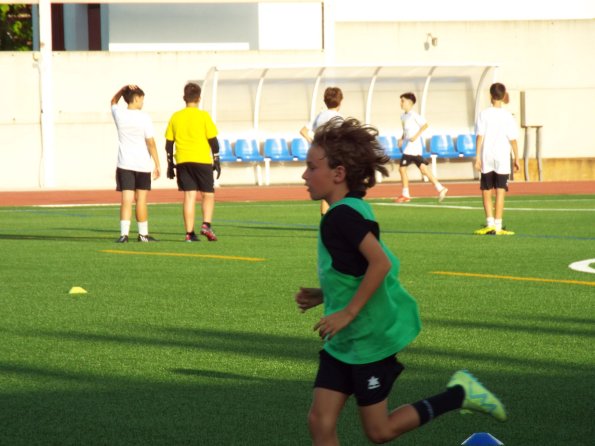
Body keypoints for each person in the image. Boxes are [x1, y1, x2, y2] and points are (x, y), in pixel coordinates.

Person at [296, 117, 506, 445]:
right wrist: (325, 294)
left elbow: (380, 264)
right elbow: (367, 266)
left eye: (311, 167)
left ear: (338, 173)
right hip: (344, 342)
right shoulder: (349, 209)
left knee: (380, 431)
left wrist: (347, 312)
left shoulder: (342, 216)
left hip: (368, 341)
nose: (304, 175)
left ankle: (458, 395)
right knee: (319, 421)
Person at [165, 82, 221, 242]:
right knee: (207, 194)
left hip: (183, 160)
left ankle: (189, 233)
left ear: (184, 98)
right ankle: (206, 225)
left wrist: (170, 164)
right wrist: (216, 159)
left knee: (189, 196)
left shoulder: (176, 116)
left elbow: (169, 143)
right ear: (199, 98)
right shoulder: (203, 116)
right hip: (201, 159)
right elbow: (213, 140)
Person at [110, 84, 160, 243]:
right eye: (142, 99)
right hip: (142, 164)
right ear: (136, 98)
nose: (143, 103)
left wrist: (123, 88)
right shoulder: (144, 117)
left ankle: (124, 235)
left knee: (126, 199)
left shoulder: (119, 114)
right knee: (141, 200)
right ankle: (143, 235)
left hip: (125, 164)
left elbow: (113, 100)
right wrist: (157, 164)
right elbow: (150, 142)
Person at [474, 83, 520, 235]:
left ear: (490, 95)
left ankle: (490, 224)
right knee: (500, 191)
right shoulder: (507, 115)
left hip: (487, 156)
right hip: (502, 157)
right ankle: (498, 226)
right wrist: (516, 158)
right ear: (503, 95)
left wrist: (477, 157)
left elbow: (480, 136)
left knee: (486, 190)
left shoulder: (484, 114)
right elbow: (513, 139)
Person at [394, 92, 448, 203]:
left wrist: (415, 137)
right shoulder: (403, 116)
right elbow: (405, 131)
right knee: (424, 169)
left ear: (409, 102)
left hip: (413, 148)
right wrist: (401, 138)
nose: (401, 103)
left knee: (402, 169)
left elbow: (425, 125)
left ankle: (406, 195)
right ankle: (441, 188)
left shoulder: (414, 115)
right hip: (409, 147)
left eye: (402, 100)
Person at [300, 86, 344, 215]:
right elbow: (341, 137)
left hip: (319, 156)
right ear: (340, 101)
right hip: (333, 155)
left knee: (327, 190)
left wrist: (312, 142)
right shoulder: (338, 117)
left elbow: (303, 130)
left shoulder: (320, 116)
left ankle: (325, 220)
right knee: (340, 187)